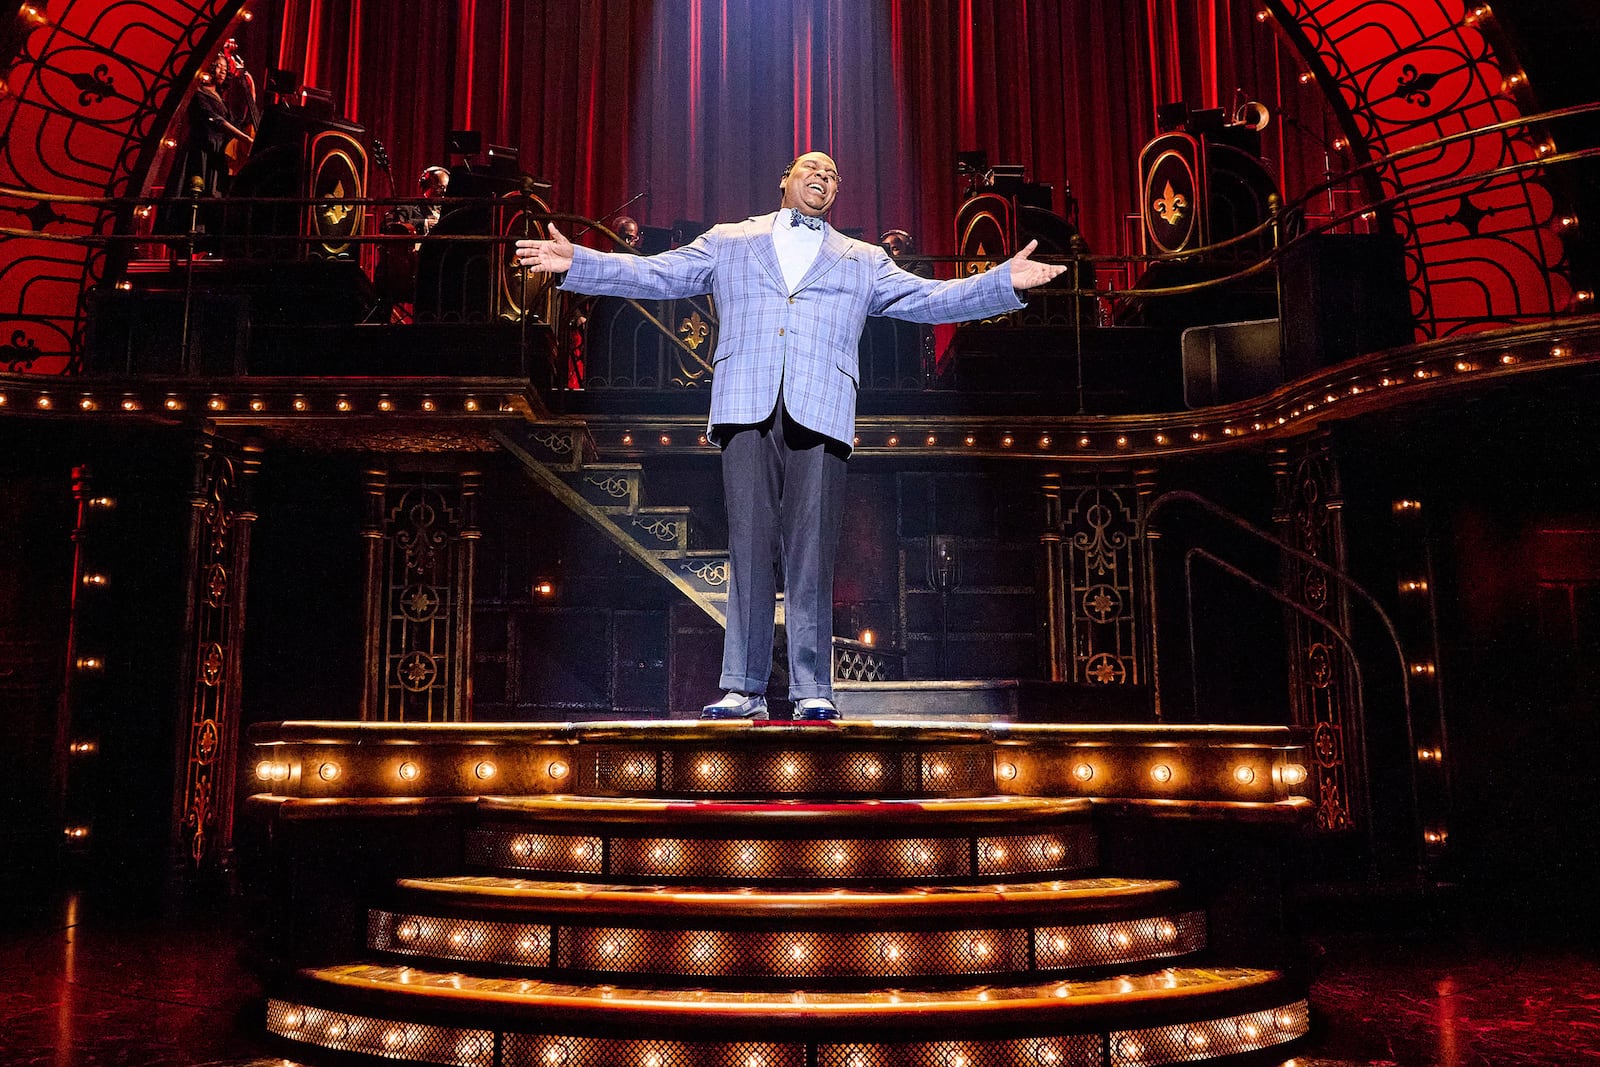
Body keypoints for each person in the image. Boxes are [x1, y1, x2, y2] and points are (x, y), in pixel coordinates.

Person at [515, 150, 1064, 721]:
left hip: (822, 407)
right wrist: (577, 261)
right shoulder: (730, 240)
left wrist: (1003, 283)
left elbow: (929, 299)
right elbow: (657, 272)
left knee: (812, 555)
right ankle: (743, 688)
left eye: (832, 175)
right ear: (785, 180)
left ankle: (811, 689)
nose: (823, 178)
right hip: (746, 401)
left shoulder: (862, 259)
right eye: (812, 169)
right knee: (747, 549)